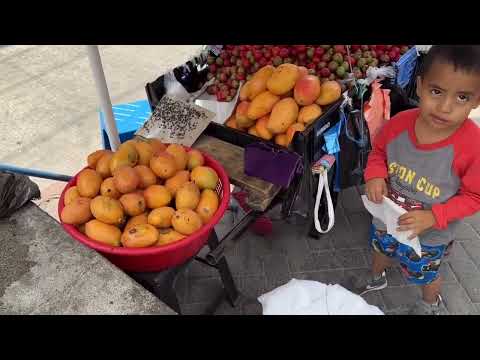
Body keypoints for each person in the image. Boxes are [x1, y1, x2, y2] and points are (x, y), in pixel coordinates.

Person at [359, 45, 480, 315]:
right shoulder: (398, 123)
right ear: (420, 86)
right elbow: (378, 152)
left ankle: (430, 303)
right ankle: (376, 278)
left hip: (430, 235)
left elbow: (474, 197)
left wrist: (434, 217)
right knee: (381, 248)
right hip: (385, 215)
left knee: (424, 273)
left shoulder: (473, 146)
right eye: (436, 92)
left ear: (477, 100)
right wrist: (376, 174)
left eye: (462, 97)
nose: (445, 107)